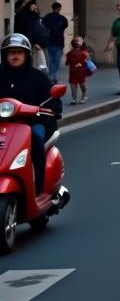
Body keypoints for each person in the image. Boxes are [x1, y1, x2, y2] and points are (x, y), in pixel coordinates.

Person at [0, 33, 60, 194]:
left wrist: (49, 109)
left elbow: (53, 100)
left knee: (36, 138)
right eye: (11, 52)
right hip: (3, 125)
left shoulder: (38, 77)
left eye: (19, 52)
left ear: (26, 55)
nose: (15, 56)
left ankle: (38, 185)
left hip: (31, 123)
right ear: (5, 55)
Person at [41, 2, 69, 82]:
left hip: (49, 42)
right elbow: (65, 26)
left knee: (50, 60)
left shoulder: (46, 17)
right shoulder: (62, 18)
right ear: (59, 8)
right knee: (56, 61)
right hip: (59, 42)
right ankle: (53, 76)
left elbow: (43, 27)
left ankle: (51, 75)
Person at [65, 35, 91, 104]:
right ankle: (74, 99)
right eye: (75, 41)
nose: (76, 42)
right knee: (73, 85)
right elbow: (67, 62)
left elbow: (87, 60)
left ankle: (84, 95)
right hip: (72, 72)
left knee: (82, 84)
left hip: (81, 72)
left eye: (78, 41)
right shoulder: (70, 53)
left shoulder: (84, 52)